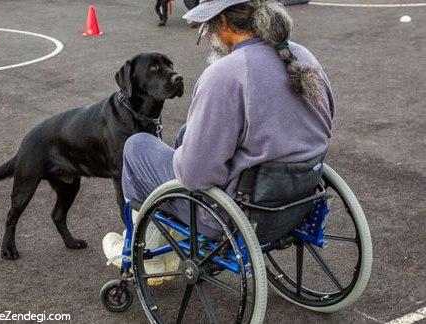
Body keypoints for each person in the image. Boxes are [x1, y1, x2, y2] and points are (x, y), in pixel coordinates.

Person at [103, 0, 335, 282]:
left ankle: (151, 249)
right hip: (299, 196)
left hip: (238, 211)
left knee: (137, 146)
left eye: (207, 25)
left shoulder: (225, 73)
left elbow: (195, 176)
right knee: (186, 134)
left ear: (223, 23)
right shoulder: (302, 55)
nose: (207, 33)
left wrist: (181, 157)